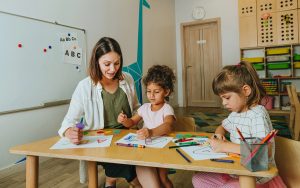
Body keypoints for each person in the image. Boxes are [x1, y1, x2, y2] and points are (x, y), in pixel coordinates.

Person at [58, 37, 159, 188]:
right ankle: (131, 183)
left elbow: (138, 108)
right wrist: (68, 132)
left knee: (142, 162)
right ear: (96, 62)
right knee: (125, 163)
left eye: (117, 63)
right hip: (100, 143)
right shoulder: (84, 87)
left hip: (128, 137)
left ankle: (110, 181)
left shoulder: (128, 78)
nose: (113, 69)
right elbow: (68, 122)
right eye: (107, 64)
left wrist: (138, 121)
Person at [192, 61, 286, 188]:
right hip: (236, 168)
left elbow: (264, 151)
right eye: (221, 98)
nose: (224, 103)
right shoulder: (235, 113)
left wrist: (225, 146)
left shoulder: (257, 114)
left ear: (246, 91)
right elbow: (222, 126)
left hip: (255, 175)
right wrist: (218, 135)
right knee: (198, 179)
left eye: (227, 97)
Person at [117, 65, 176, 188]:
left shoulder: (167, 108)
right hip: (146, 149)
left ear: (166, 92)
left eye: (156, 91)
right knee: (151, 175)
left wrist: (151, 132)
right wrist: (124, 120)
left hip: (162, 149)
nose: (151, 95)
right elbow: (132, 122)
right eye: (149, 91)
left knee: (162, 178)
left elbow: (168, 126)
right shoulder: (144, 108)